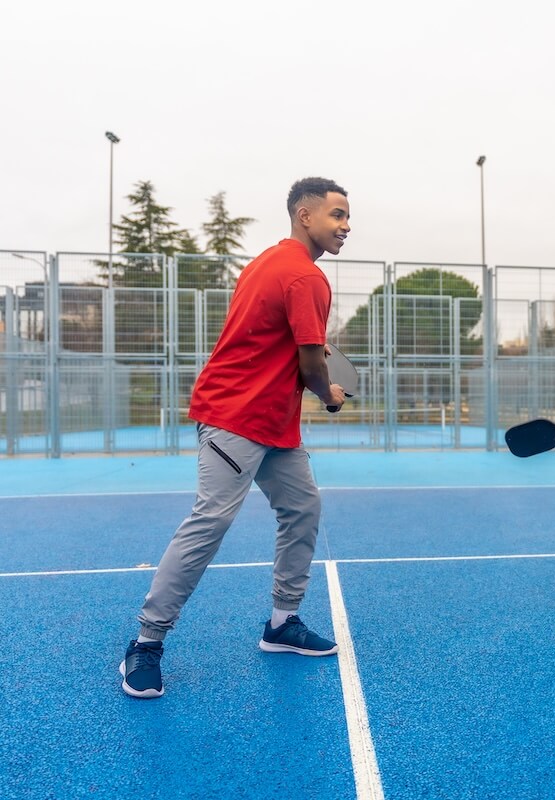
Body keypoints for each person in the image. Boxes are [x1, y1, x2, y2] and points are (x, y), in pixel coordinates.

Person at [120, 177, 351, 698]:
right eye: (336, 215)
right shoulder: (305, 277)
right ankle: (146, 643)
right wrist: (329, 394)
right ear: (304, 216)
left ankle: (281, 623)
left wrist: (312, 373)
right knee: (211, 520)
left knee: (303, 507)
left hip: (272, 421)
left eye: (347, 216)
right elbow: (312, 363)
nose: (346, 225)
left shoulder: (267, 263)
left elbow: (281, 345)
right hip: (234, 416)